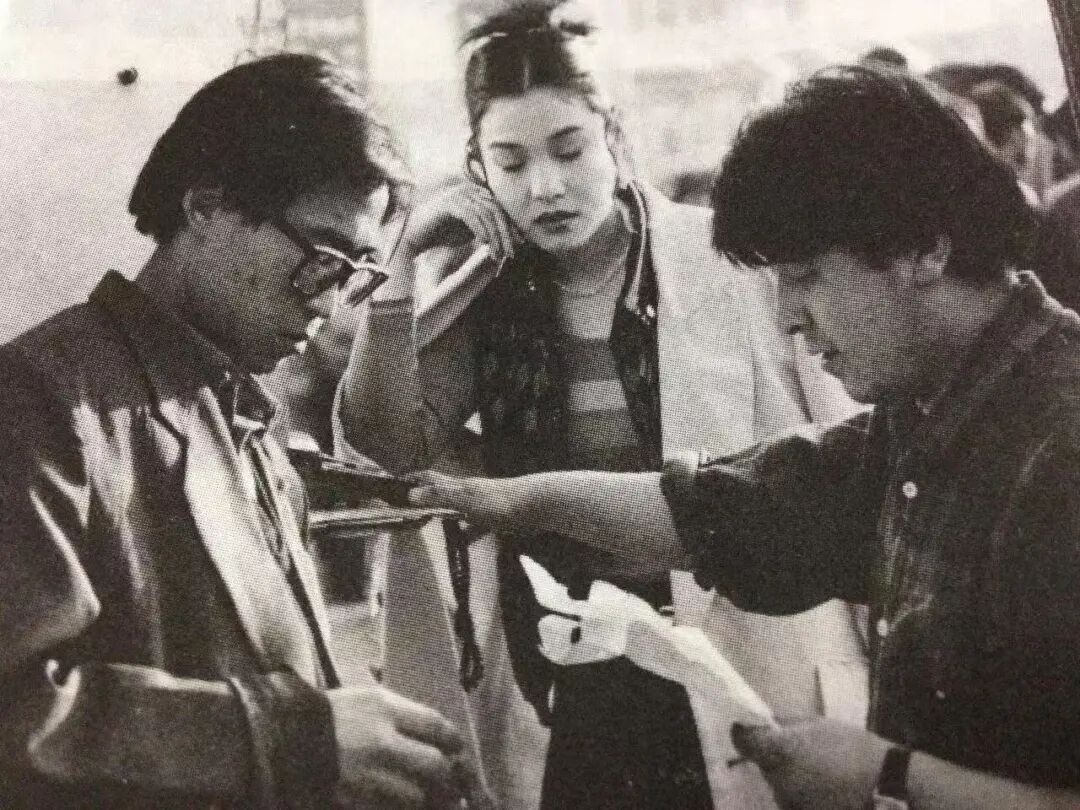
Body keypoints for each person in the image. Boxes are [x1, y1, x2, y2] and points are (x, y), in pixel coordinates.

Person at [409, 63, 1080, 809]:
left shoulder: (1060, 447)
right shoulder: (922, 419)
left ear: (926, 248)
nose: (789, 318)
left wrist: (885, 775)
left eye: (807, 276)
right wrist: (508, 500)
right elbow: (729, 508)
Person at [337, 2, 867, 808]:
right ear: (477, 168)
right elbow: (385, 447)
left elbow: (847, 440)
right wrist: (403, 262)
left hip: (750, 638)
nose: (545, 186)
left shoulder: (729, 260)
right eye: (510, 163)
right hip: (578, 661)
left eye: (569, 149)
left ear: (613, 133)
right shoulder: (491, 297)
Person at [0, 53, 473, 809]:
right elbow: (17, 713)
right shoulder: (41, 400)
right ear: (205, 207)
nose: (329, 304)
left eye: (354, 273)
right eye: (321, 258)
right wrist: (301, 737)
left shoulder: (241, 416)